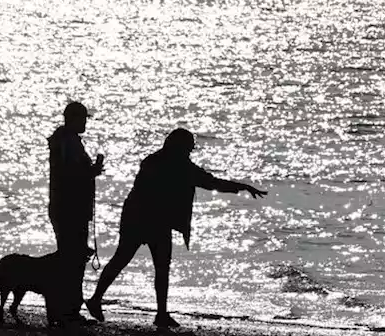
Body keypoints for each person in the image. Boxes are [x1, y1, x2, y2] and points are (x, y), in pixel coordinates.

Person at [85, 128, 267, 330]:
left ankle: (103, 300)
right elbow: (211, 182)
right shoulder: (181, 167)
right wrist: (241, 186)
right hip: (150, 220)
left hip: (139, 217)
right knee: (157, 267)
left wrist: (240, 186)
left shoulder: (153, 160)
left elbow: (208, 181)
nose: (190, 152)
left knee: (129, 260)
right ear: (181, 147)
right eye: (189, 148)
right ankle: (157, 313)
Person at [47, 101, 105, 327]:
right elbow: (73, 175)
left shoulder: (62, 140)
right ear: (72, 119)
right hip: (70, 209)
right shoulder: (69, 142)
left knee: (69, 258)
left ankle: (65, 309)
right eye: (82, 118)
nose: (85, 123)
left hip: (62, 207)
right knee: (73, 260)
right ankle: (69, 310)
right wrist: (94, 170)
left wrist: (90, 171)